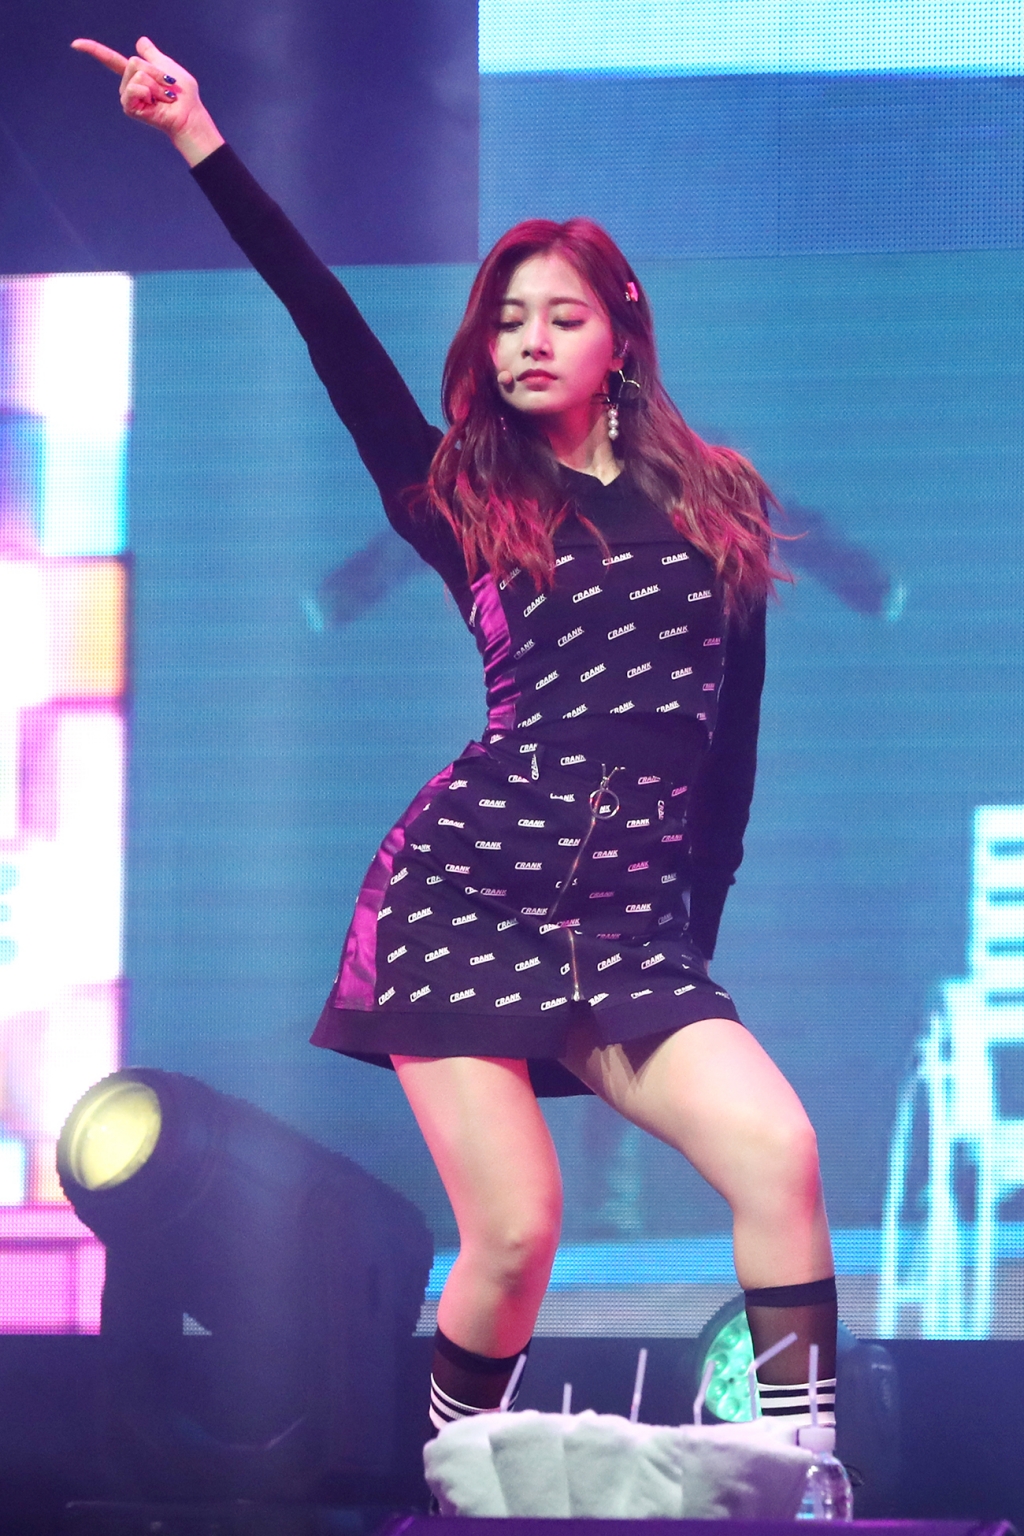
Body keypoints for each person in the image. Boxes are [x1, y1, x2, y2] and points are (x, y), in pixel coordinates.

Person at [74, 36, 839, 1441]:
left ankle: (807, 1463)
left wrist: (689, 934)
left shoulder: (719, 506)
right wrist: (197, 139)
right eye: (507, 321)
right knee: (515, 1234)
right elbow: (325, 323)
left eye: (561, 315)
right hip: (465, 895)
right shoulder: (463, 501)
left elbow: (726, 761)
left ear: (619, 338)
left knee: (779, 1153)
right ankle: (448, 1478)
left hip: (633, 922)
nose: (529, 340)